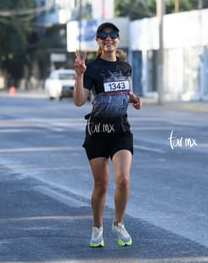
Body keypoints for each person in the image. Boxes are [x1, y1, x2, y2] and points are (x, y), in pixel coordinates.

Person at [73, 22, 142, 248]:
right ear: (98, 41)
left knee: (123, 180)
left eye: (112, 34)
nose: (108, 38)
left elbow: (122, 90)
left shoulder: (125, 67)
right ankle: (97, 227)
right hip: (98, 132)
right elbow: (79, 101)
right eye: (104, 35)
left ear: (118, 39)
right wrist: (79, 75)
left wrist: (133, 99)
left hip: (120, 130)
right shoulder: (91, 68)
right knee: (101, 184)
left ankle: (118, 223)